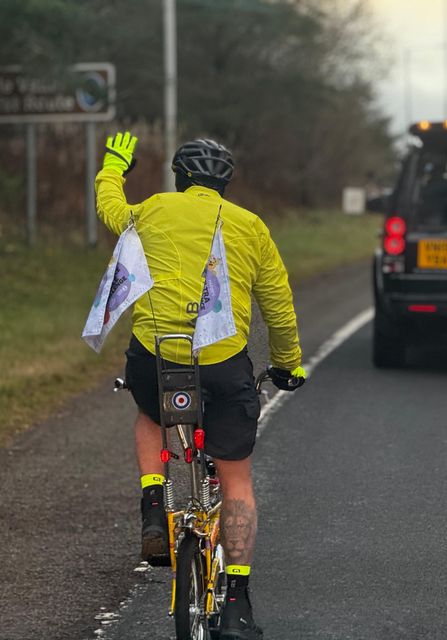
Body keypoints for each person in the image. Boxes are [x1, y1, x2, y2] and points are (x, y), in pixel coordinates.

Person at [95, 132, 305, 640]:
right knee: (236, 479)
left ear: (179, 178)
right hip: (222, 364)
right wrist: (288, 364)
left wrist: (113, 163)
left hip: (156, 357)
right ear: (225, 185)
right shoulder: (250, 226)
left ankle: (153, 506)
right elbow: (276, 303)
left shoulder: (149, 211)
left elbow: (109, 208)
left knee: (150, 412)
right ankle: (236, 602)